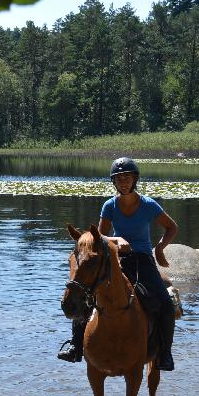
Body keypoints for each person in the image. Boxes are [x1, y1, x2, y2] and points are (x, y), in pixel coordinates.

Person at [58, 157, 178, 371]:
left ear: (135, 180)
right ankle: (76, 345)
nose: (123, 182)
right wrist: (116, 240)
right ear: (114, 182)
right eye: (119, 178)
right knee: (87, 295)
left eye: (127, 177)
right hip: (116, 259)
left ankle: (165, 353)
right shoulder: (110, 205)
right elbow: (99, 237)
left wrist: (159, 249)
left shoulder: (148, 205)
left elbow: (171, 227)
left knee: (165, 303)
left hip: (142, 260)